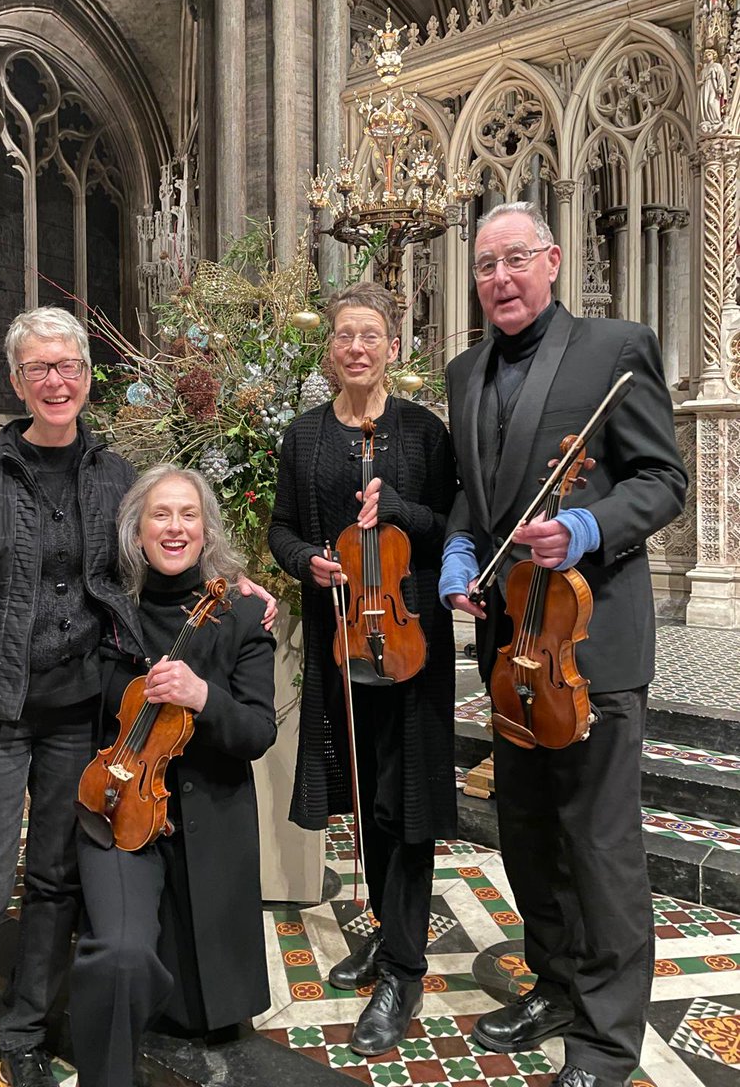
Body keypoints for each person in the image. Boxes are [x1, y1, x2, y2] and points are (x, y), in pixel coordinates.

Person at [0, 306, 274, 1087]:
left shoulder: (114, 475)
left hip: (78, 711)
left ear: (87, 377)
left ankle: (24, 1034)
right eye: (39, 368)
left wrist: (235, 583)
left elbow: (162, 540)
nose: (55, 380)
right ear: (17, 382)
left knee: (55, 882)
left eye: (67, 365)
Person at [439, 201, 687, 1087]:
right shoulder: (465, 370)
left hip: (589, 642)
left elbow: (663, 479)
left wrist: (587, 527)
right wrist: (460, 549)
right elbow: (477, 491)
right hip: (510, 648)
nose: (499, 278)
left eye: (515, 259)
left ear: (551, 261)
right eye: (485, 265)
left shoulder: (615, 348)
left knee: (599, 843)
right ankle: (554, 984)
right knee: (528, 832)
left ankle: (608, 1040)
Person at [268, 281, 458, 1056]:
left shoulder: (424, 433)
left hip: (410, 643)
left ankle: (404, 971)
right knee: (366, 800)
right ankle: (388, 934)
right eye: (345, 334)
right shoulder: (304, 436)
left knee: (404, 805)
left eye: (370, 335)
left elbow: (452, 525)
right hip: (341, 642)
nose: (356, 347)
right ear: (330, 348)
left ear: (392, 346)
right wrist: (307, 562)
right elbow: (283, 528)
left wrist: (403, 512)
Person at [69, 465, 276, 1087]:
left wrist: (202, 696)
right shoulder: (110, 608)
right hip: (121, 807)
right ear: (136, 531)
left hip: (207, 810)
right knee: (121, 953)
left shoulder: (242, 611)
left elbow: (257, 732)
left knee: (206, 1000)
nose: (175, 527)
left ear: (207, 529)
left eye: (189, 514)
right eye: (160, 514)